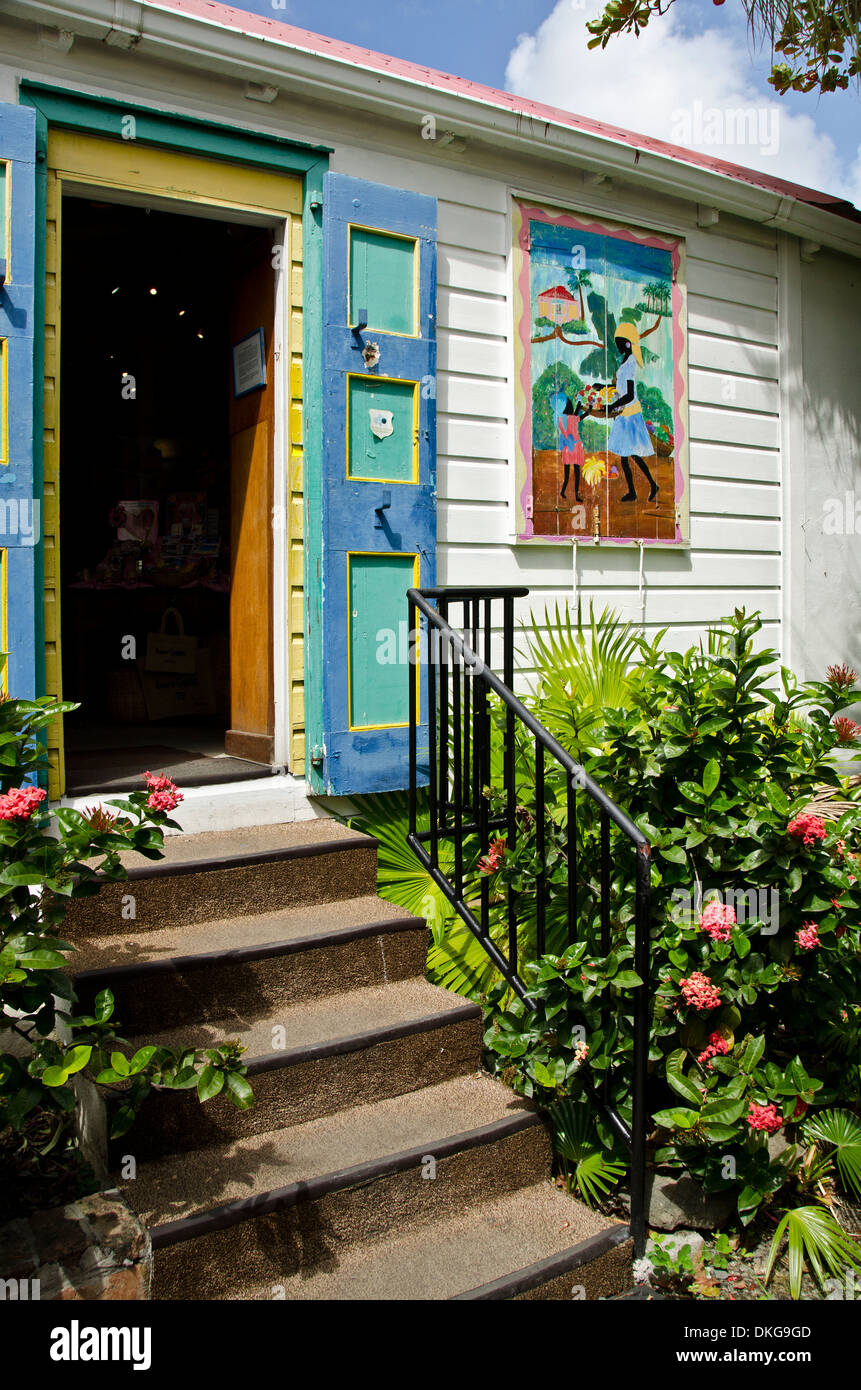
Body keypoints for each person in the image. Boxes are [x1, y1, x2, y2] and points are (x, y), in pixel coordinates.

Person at [603, 322, 658, 503]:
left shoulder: (630, 363)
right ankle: (634, 491)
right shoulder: (626, 361)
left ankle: (651, 484)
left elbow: (629, 394)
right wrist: (605, 387)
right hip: (624, 414)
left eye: (619, 342)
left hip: (630, 415)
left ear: (626, 343)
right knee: (625, 456)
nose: (617, 346)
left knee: (631, 454)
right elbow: (620, 387)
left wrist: (613, 406)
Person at [549, 388, 589, 502]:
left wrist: (579, 407)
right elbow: (579, 416)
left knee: (566, 474)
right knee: (577, 473)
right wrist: (587, 411)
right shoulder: (573, 418)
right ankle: (576, 495)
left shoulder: (561, 419)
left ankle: (563, 491)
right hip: (575, 447)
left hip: (567, 448)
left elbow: (575, 416)